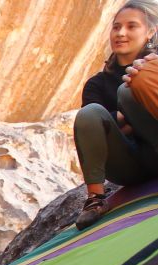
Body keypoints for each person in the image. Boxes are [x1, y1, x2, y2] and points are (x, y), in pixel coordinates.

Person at [73, 0, 158, 229]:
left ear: (150, 31)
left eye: (131, 26)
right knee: (91, 112)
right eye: (116, 27)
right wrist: (128, 113)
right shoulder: (97, 84)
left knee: (130, 89)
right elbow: (91, 128)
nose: (121, 33)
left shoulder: (153, 66)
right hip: (128, 164)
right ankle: (95, 200)